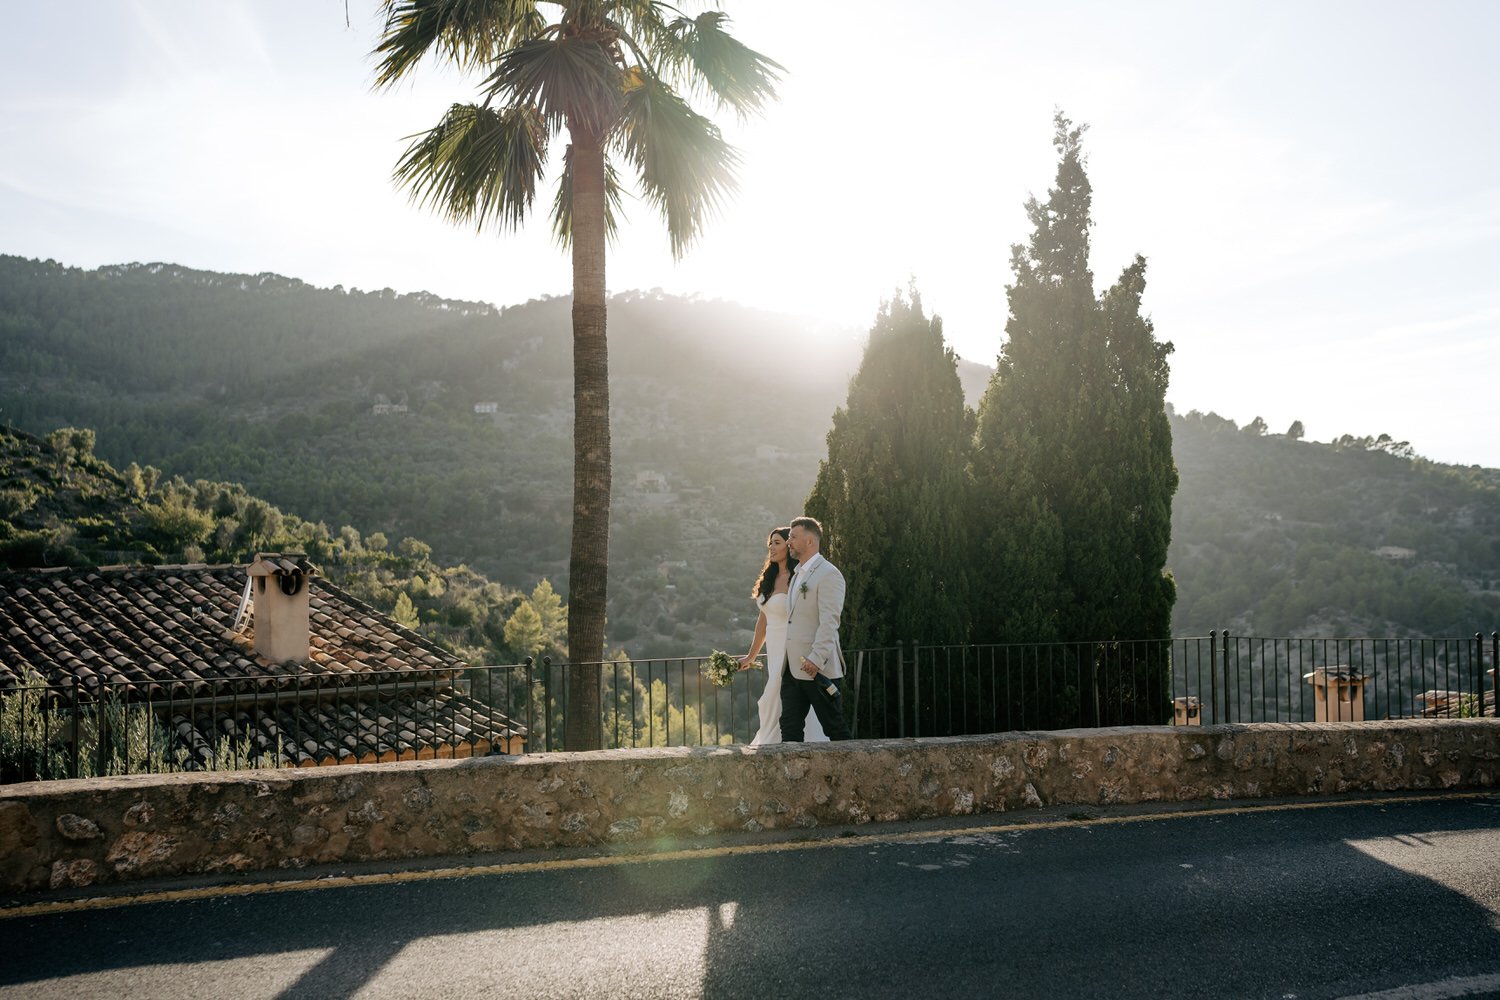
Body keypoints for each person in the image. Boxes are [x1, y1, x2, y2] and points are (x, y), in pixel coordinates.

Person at [740, 526, 827, 744]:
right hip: (774, 651)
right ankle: (776, 745)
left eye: (777, 542)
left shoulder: (797, 578)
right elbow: (763, 621)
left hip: (793, 650)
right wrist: (751, 656)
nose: (771, 547)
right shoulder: (768, 579)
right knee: (772, 697)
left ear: (789, 546)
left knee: (782, 696)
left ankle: (802, 745)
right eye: (770, 543)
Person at [779, 515, 853, 741]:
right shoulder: (797, 575)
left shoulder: (829, 574)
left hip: (817, 669)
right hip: (792, 669)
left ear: (810, 541)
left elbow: (830, 622)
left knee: (834, 728)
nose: (788, 542)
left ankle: (851, 775)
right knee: (789, 729)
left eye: (793, 537)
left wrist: (816, 659)